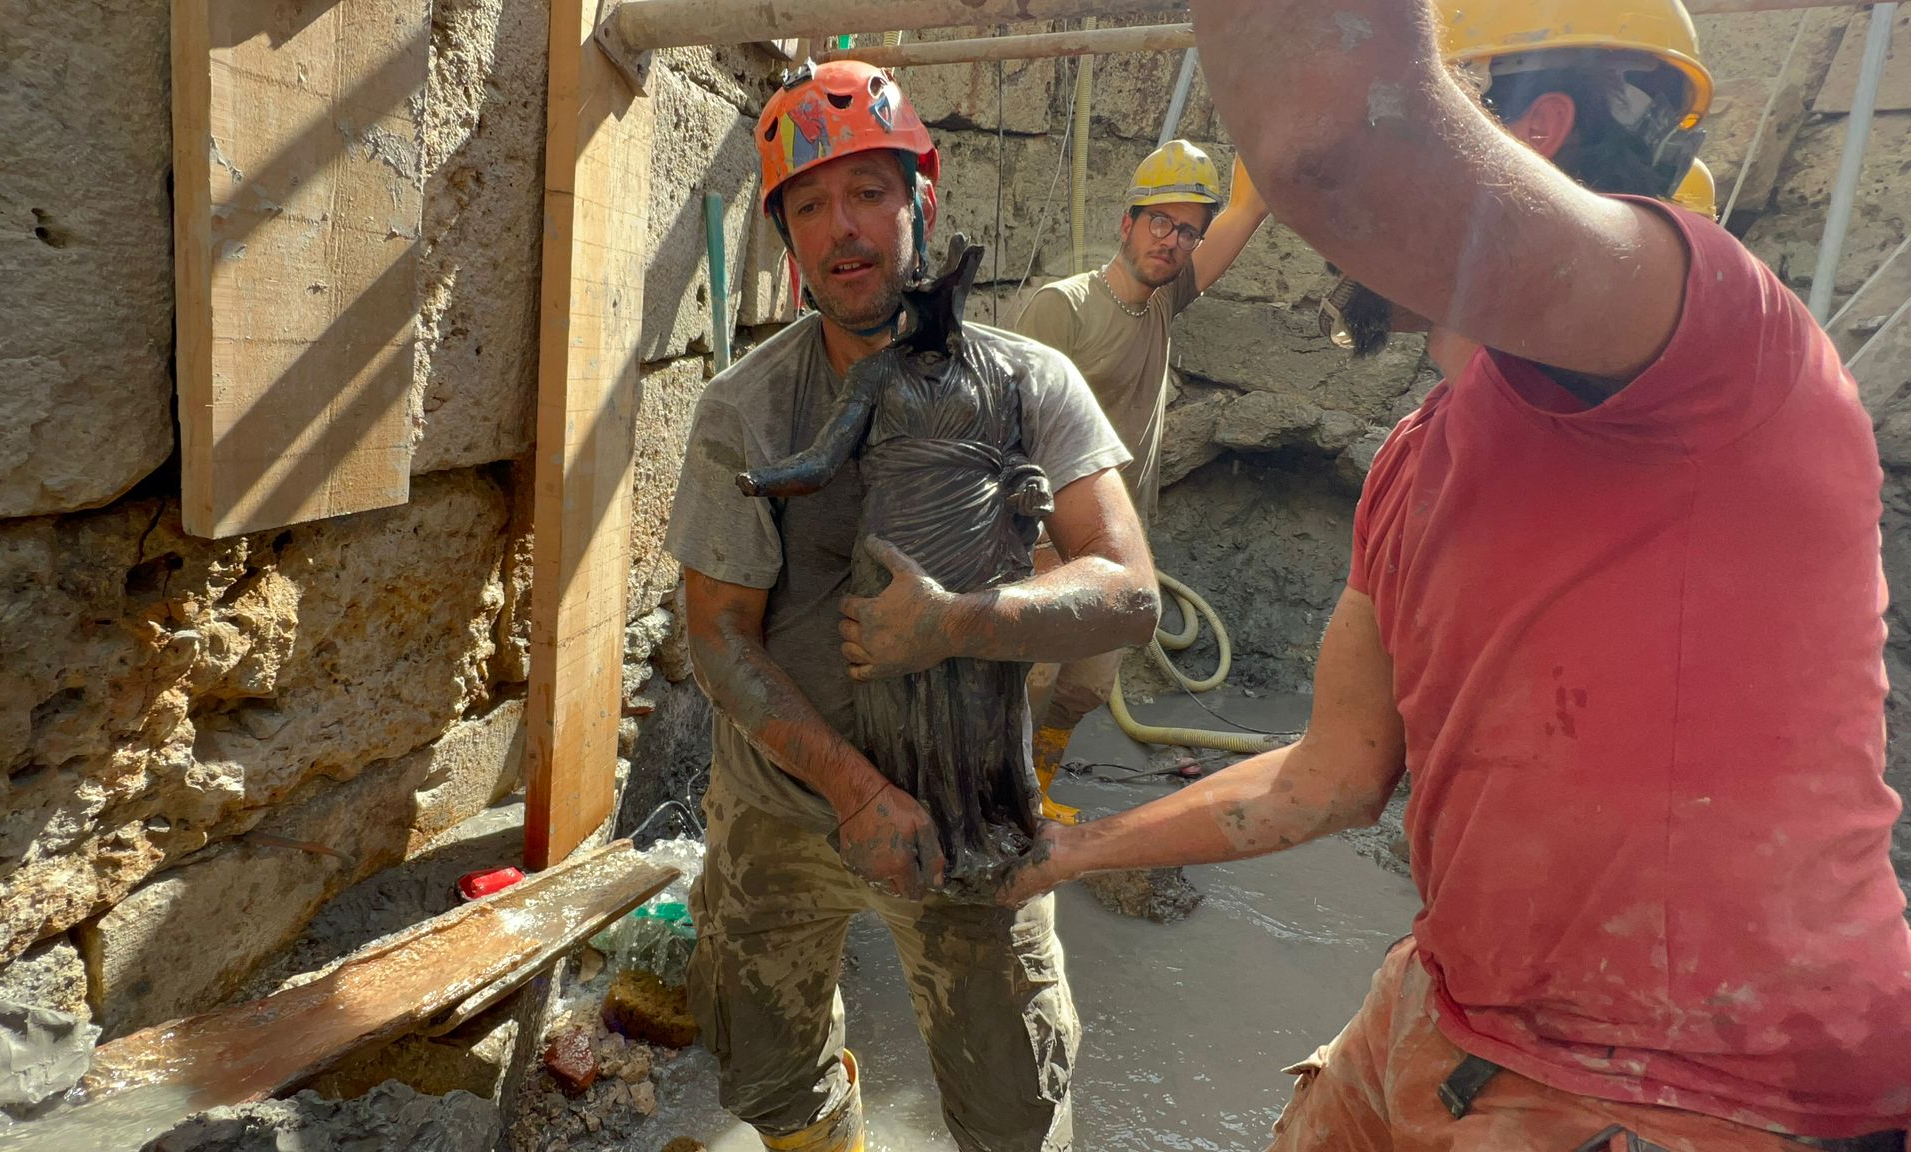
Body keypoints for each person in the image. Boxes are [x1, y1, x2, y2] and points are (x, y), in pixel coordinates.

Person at [1003, 0, 1911, 1147]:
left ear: (1528, 134)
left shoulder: (1726, 343)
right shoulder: (1417, 460)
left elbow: (1335, 152)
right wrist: (1062, 854)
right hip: (1450, 1002)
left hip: (1694, 1088)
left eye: (1439, 103)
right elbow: (1328, 776)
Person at [665, 60, 1161, 1152]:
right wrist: (850, 791)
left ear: (920, 203)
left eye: (868, 193)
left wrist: (957, 624)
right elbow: (718, 634)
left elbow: (1129, 593)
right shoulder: (744, 410)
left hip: (966, 806)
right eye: (808, 204)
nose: (842, 228)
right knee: (767, 1072)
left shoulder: (1029, 382)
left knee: (1013, 1108)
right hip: (782, 805)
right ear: (784, 241)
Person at [1012, 140, 1271, 822]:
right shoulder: (1060, 308)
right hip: (1048, 537)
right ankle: (998, 795)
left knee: (1089, 685)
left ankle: (1038, 785)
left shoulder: (1165, 300)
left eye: (1188, 230)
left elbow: (1248, 206)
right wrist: (1036, 549)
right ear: (1126, 222)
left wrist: (1270, 129)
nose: (1174, 240)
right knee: (1032, 677)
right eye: (1161, 220)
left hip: (1118, 545)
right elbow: (1011, 436)